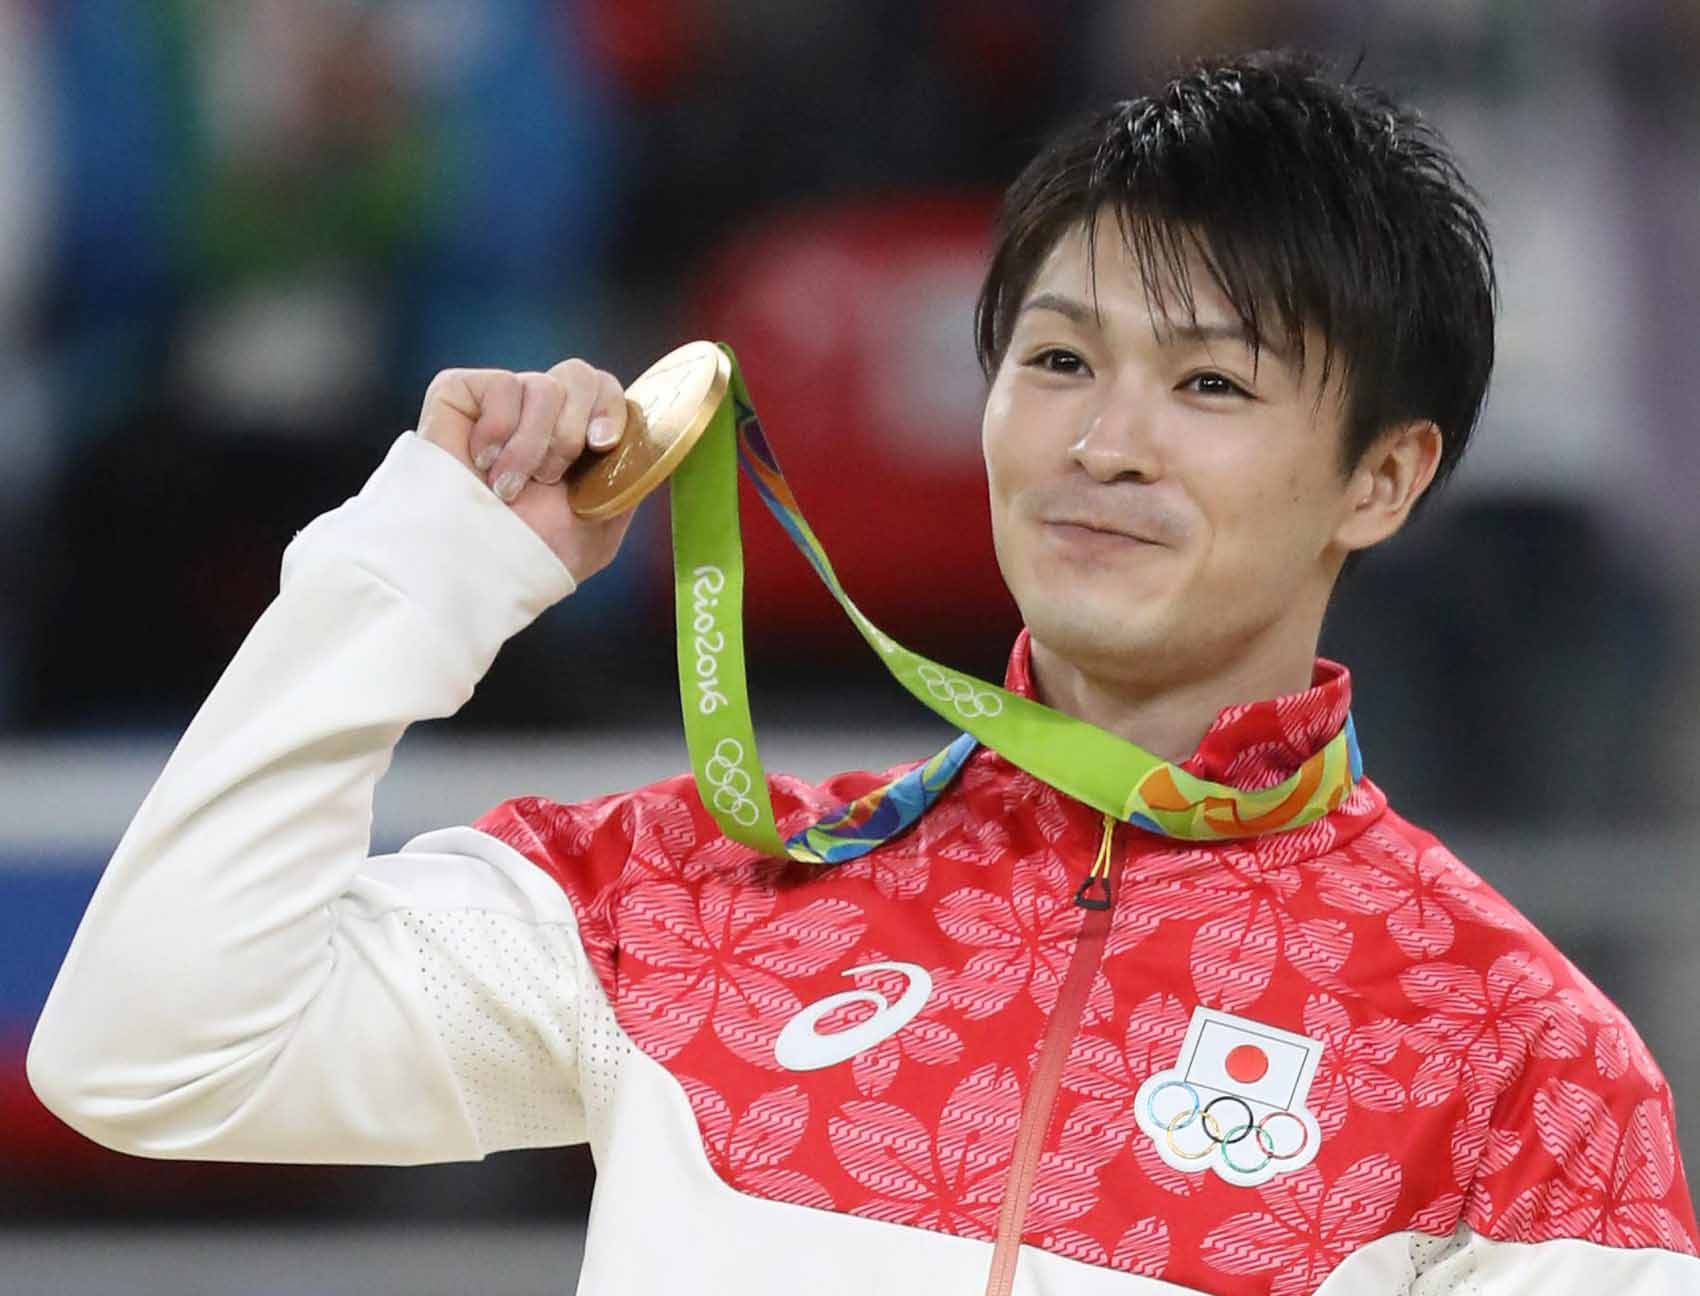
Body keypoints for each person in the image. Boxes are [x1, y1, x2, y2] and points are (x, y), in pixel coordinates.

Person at [28, 47, 1699, 1295]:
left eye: (1209, 386)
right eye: (1056, 361)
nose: (1103, 444)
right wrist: (423, 569)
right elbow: (148, 1051)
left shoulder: (1519, 1071)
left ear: (1383, 477)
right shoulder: (698, 892)